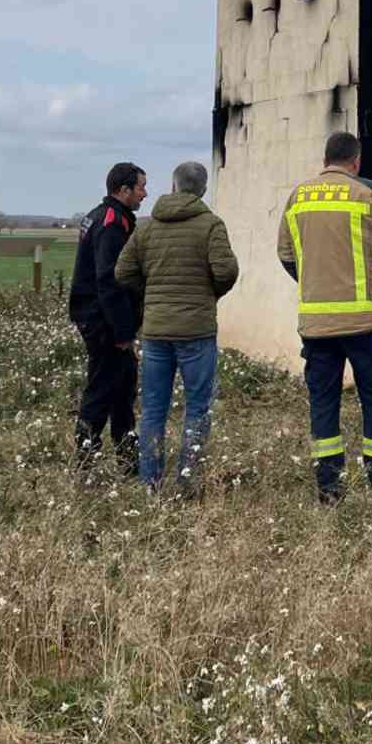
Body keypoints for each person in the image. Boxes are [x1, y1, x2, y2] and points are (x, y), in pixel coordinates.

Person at [277, 131, 372, 504]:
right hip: (366, 323)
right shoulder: (369, 194)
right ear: (356, 161)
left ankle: (329, 489)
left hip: (316, 327)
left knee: (323, 403)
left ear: (325, 159)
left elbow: (286, 255)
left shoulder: (297, 197)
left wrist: (316, 284)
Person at [114, 160, 238, 495]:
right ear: (202, 189)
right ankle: (189, 482)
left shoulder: (147, 227)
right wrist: (208, 294)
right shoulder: (212, 225)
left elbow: (123, 272)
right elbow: (226, 271)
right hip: (197, 330)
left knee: (153, 409)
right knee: (197, 407)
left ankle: (150, 483)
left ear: (173, 186)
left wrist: (151, 294)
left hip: (155, 331)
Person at [68, 161, 148, 469]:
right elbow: (109, 280)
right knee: (101, 390)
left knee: (123, 386)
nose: (145, 193)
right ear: (123, 190)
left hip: (101, 317)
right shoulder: (113, 222)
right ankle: (85, 460)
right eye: (140, 187)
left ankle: (128, 459)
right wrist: (123, 332)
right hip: (104, 322)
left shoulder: (100, 215)